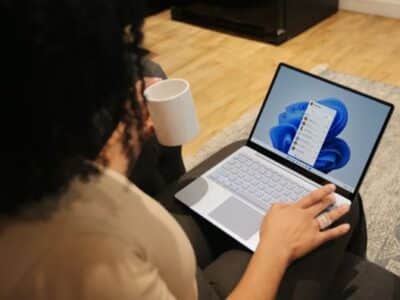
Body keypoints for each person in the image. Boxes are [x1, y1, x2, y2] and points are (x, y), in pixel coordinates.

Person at [0, 1, 399, 299]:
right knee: (338, 202)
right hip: (197, 289)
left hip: (152, 243)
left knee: (246, 148)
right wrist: (276, 248)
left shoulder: (30, 178)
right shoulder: (87, 257)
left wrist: (125, 139)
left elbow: (83, 190)